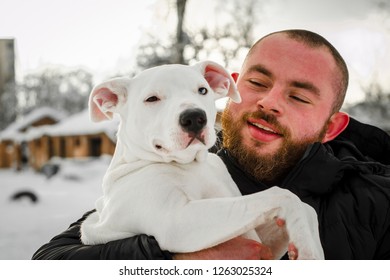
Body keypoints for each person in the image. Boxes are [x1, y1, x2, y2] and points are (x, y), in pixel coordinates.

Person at [32, 29, 390, 260]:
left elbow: (260, 253)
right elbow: (50, 262)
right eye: (257, 82)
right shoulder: (162, 167)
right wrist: (171, 261)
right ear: (230, 88)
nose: (270, 102)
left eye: (298, 96)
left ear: (333, 127)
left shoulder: (377, 203)